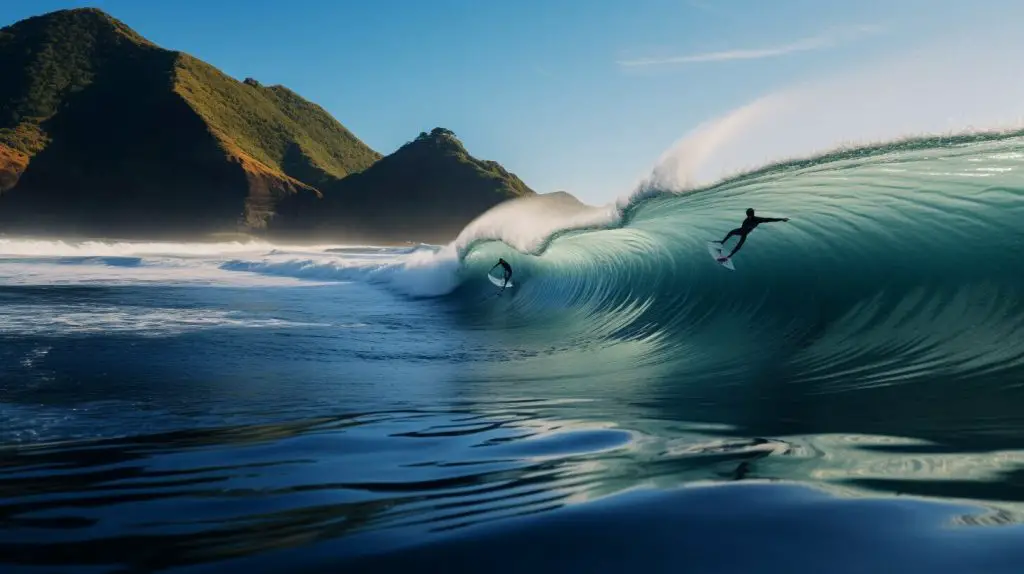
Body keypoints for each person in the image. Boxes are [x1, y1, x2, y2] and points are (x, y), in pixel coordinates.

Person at [714, 208, 789, 260]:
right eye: (747, 215)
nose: (748, 216)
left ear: (751, 214)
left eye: (749, 215)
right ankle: (722, 242)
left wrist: (781, 219)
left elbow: (769, 219)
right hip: (741, 231)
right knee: (731, 232)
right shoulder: (747, 220)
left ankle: (729, 256)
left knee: (739, 245)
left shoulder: (758, 219)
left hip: (744, 233)